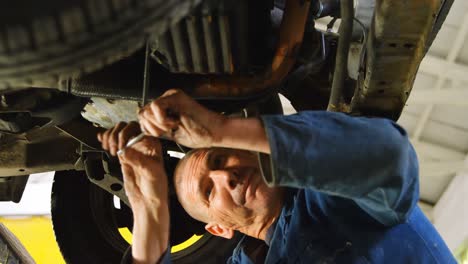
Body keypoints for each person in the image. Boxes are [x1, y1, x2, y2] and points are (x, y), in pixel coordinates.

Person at [98, 89, 456, 264]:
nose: (227, 176)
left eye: (219, 158)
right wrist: (149, 205)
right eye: (209, 191)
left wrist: (221, 129)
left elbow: (388, 154)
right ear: (218, 229)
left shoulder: (338, 198)